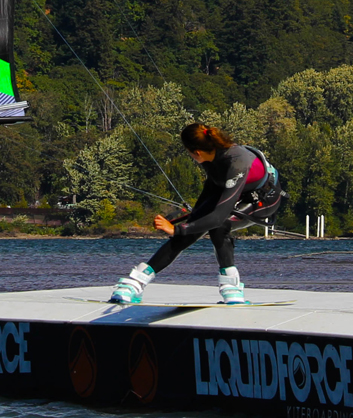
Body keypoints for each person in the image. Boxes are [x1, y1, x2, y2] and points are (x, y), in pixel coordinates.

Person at [110, 122, 284, 305]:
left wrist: (176, 230)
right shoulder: (210, 156)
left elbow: (217, 217)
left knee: (219, 226)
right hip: (229, 189)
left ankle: (232, 288)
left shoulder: (237, 162)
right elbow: (210, 199)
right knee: (192, 226)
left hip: (264, 199)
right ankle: (137, 282)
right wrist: (185, 227)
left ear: (197, 152)